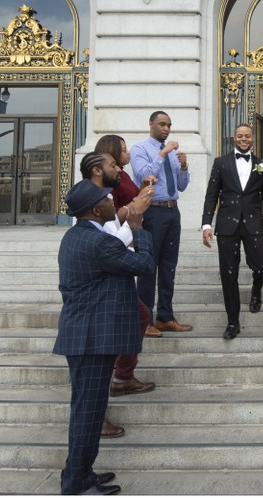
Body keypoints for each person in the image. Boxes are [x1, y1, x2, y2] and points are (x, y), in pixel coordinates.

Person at [54, 178, 154, 495]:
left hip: (88, 335)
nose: (114, 201)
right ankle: (76, 482)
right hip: (92, 338)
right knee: (89, 412)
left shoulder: (78, 236)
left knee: (89, 410)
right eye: (107, 199)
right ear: (97, 209)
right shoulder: (99, 242)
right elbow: (145, 264)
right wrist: (138, 229)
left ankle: (81, 473)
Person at [201, 123, 263, 339]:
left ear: (252, 139)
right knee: (228, 274)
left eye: (247, 136)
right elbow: (212, 195)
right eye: (240, 136)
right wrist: (206, 224)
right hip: (227, 225)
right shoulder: (221, 163)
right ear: (234, 138)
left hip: (253, 223)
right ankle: (233, 322)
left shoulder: (261, 164)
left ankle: (256, 291)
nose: (243, 139)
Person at [92, 137, 160, 399]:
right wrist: (133, 216)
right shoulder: (97, 197)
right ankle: (115, 380)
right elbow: (104, 239)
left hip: (122, 256)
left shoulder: (110, 188)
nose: (121, 166)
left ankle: (123, 375)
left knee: (140, 315)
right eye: (118, 156)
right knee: (124, 323)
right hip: (107, 273)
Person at [130, 111, 192, 336]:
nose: (166, 129)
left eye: (169, 125)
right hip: (152, 212)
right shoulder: (140, 149)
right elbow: (143, 174)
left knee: (168, 266)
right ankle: (144, 321)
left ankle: (165, 317)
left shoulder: (173, 155)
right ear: (151, 124)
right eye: (162, 124)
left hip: (172, 211)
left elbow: (181, 186)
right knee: (149, 266)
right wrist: (163, 153)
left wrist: (184, 167)